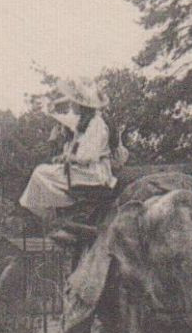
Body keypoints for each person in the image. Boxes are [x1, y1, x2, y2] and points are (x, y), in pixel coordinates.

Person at [17, 78, 120, 237]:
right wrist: (65, 156)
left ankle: (61, 213)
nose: (71, 105)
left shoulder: (97, 124)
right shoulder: (85, 122)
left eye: (74, 102)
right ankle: (60, 213)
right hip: (84, 169)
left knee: (41, 173)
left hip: (95, 173)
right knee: (42, 173)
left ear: (82, 105)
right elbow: (62, 117)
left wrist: (67, 157)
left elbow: (87, 156)